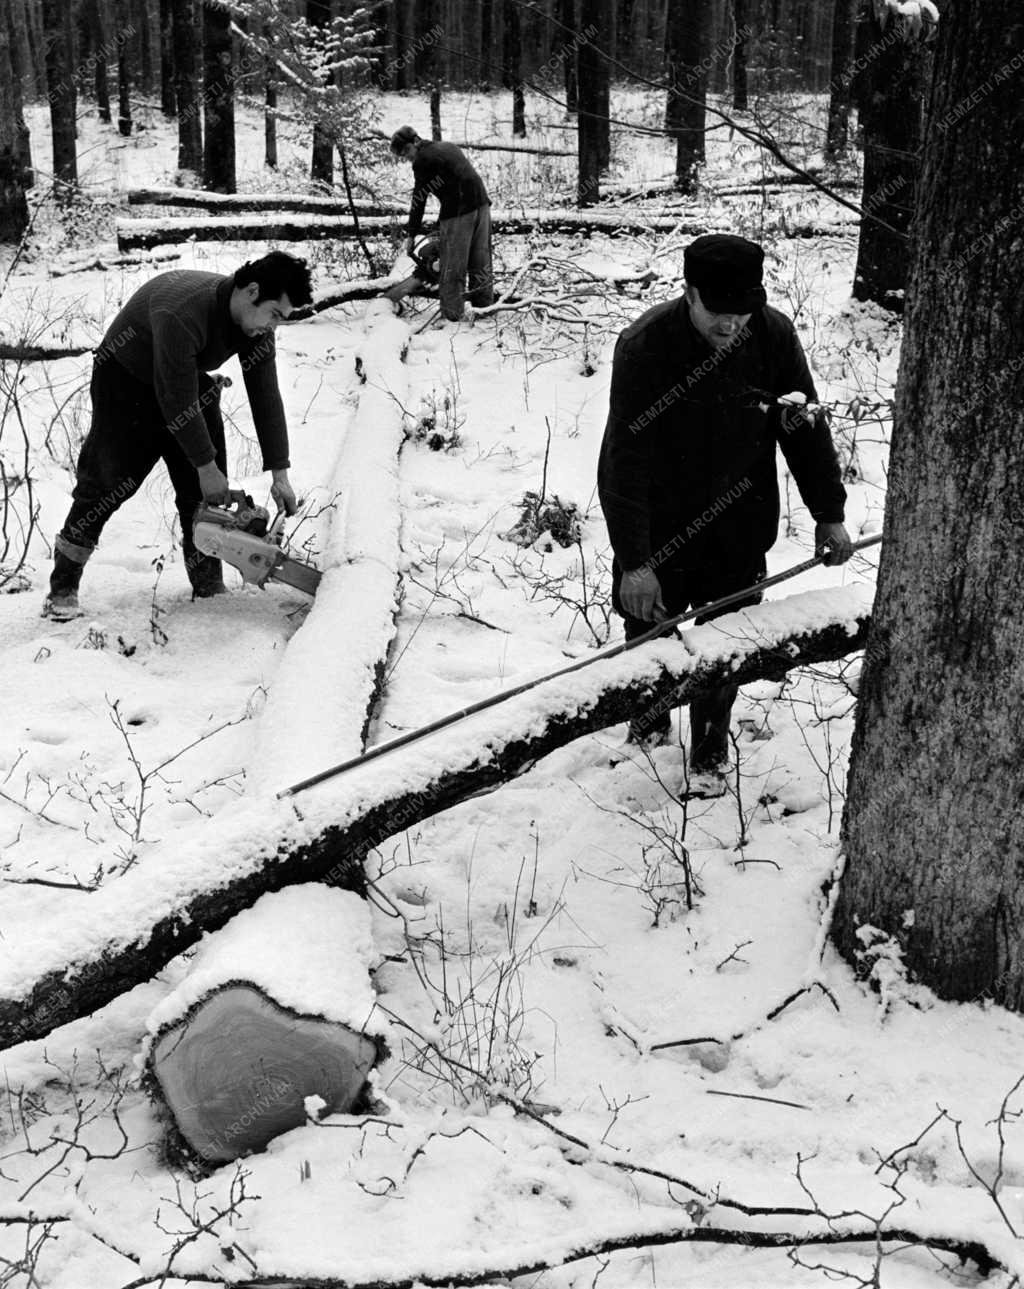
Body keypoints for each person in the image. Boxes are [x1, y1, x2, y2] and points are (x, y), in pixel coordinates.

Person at [597, 233, 852, 796]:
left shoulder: (772, 335)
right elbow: (623, 459)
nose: (731, 324)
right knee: (649, 633)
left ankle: (710, 749)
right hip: (661, 527)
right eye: (718, 311)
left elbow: (803, 428)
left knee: (724, 642)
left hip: (740, 522)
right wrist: (636, 562)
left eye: (743, 311)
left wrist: (828, 512)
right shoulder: (645, 346)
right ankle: (648, 723)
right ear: (689, 293)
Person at [44, 252, 314, 620]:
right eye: (275, 315)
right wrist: (204, 464)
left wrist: (279, 472)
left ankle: (208, 587)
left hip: (185, 382)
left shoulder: (255, 326)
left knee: (203, 495)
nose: (273, 327)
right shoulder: (183, 311)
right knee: (107, 483)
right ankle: (62, 587)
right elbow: (172, 395)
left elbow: (265, 394)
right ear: (252, 291)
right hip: (125, 379)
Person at [390, 125, 494, 322]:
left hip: (459, 211)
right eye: (402, 155)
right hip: (482, 205)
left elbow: (419, 199)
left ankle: (452, 317)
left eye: (406, 152)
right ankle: (485, 310)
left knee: (451, 267)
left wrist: (412, 234)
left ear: (416, 141)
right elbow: (452, 182)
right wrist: (439, 225)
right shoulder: (447, 147)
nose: (407, 157)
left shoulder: (422, 160)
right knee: (481, 261)